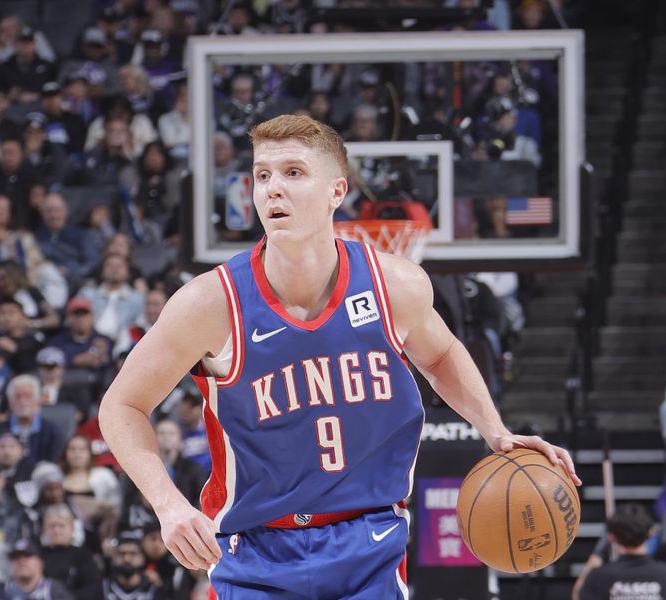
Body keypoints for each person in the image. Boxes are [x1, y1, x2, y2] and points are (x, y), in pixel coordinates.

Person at [98, 114, 579, 594]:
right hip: (256, 552)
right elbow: (121, 405)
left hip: (369, 544)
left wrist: (496, 431)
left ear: (336, 192)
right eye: (262, 175)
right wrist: (168, 505)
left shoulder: (395, 285)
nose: (272, 189)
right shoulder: (211, 303)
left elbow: (440, 355)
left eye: (293, 172)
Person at [578, 503, 666, 600]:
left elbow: (578, 595)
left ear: (611, 537)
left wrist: (598, 553)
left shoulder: (599, 577)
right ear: (650, 532)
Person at [2, 538, 73, 600]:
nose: (21, 561)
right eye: (16, 557)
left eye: (27, 556)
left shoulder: (55, 591)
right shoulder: (1, 591)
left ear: (40, 562)